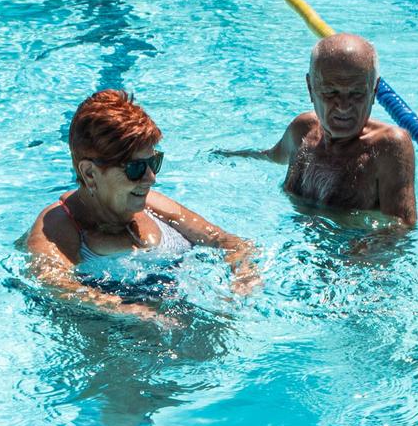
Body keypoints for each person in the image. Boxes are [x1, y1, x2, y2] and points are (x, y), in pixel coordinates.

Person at [27, 89, 259, 318]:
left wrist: (243, 274)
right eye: (135, 168)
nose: (151, 178)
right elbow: (52, 283)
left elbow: (227, 242)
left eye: (153, 162)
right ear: (89, 173)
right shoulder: (59, 227)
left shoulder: (152, 204)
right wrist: (125, 309)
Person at [217, 33, 417, 228]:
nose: (343, 106)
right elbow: (270, 156)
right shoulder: (302, 130)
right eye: (331, 92)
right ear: (310, 88)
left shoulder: (388, 147)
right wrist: (227, 156)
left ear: (374, 91)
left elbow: (399, 230)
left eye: (357, 94)